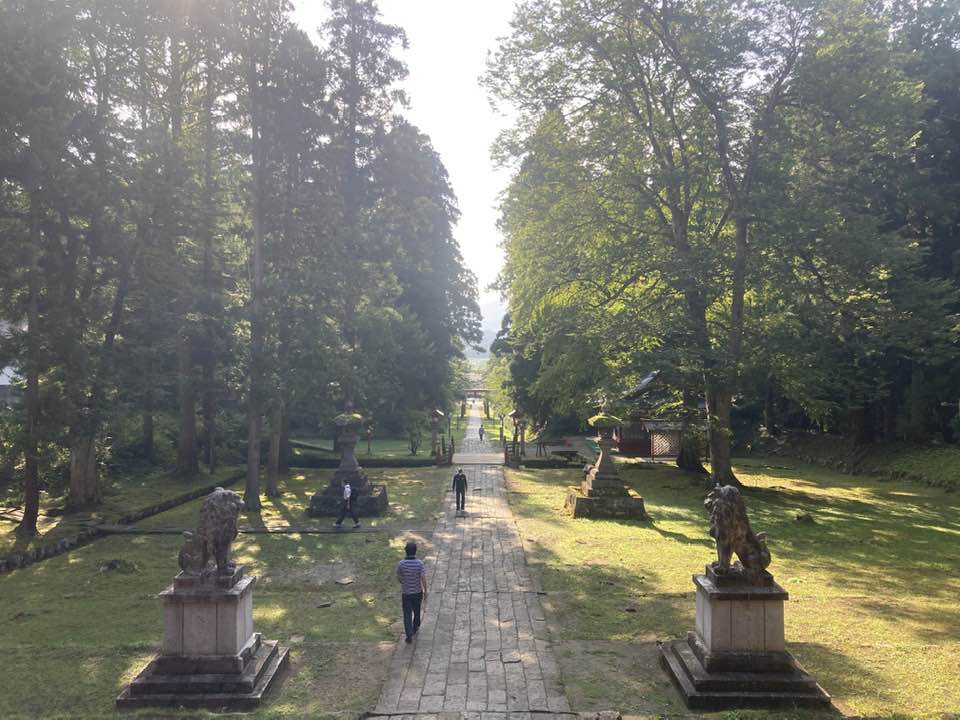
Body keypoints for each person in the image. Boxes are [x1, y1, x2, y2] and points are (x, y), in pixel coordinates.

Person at [396, 541, 427, 643]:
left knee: (407, 614)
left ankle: (409, 634)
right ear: (415, 551)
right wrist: (425, 590)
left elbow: (399, 577)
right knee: (417, 610)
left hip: (406, 593)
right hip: (417, 592)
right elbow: (423, 578)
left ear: (406, 551)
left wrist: (404, 581)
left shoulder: (401, 564)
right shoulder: (419, 563)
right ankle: (416, 625)